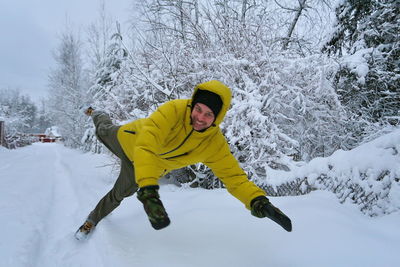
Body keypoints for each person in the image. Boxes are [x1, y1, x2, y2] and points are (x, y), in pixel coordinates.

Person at [75, 80, 292, 240]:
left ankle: (92, 219)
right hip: (128, 141)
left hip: (140, 169)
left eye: (209, 114)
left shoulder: (213, 144)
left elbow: (234, 177)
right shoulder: (173, 111)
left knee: (119, 194)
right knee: (103, 129)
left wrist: (256, 200)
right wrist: (149, 189)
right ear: (192, 105)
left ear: (218, 118)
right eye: (198, 109)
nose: (200, 117)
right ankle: (97, 113)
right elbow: (147, 145)